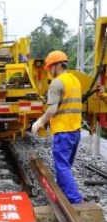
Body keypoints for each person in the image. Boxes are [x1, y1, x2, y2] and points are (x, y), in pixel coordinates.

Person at [31, 50, 83, 204]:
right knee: (65, 166)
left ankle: (75, 200)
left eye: (50, 67)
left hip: (63, 131)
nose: (49, 72)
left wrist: (39, 122)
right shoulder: (75, 80)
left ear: (58, 65)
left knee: (62, 166)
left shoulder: (57, 82)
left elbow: (52, 109)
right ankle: (62, 195)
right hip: (75, 131)